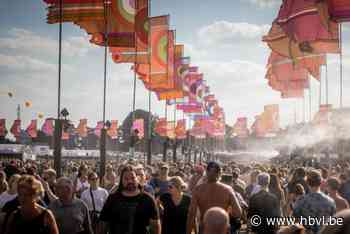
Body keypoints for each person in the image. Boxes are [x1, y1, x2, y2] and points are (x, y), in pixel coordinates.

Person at [98, 165, 161, 234]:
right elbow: (103, 224)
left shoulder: (148, 199)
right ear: (121, 181)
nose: (130, 181)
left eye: (133, 178)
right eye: (126, 179)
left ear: (137, 178)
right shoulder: (112, 199)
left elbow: (155, 226)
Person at [186, 161, 242, 234]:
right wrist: (226, 212)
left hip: (205, 229)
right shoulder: (228, 190)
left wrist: (188, 232)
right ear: (220, 173)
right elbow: (238, 213)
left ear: (206, 172)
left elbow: (191, 214)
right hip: (222, 229)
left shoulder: (198, 189)